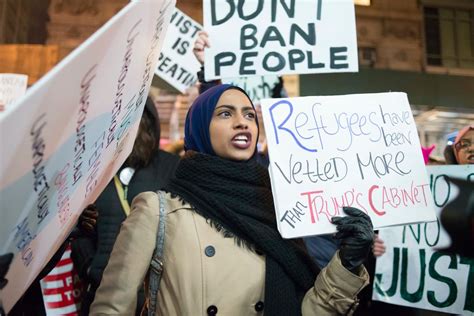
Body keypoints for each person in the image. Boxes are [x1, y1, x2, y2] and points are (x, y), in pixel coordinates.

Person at [90, 84, 374, 315]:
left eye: (250, 115)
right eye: (225, 114)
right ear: (200, 127)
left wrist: (345, 265)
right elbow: (112, 309)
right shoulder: (157, 209)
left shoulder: (277, 210)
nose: (242, 123)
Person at [71, 97, 179, 315]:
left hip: (154, 298)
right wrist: (90, 266)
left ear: (148, 122)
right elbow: (80, 230)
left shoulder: (171, 167)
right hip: (101, 291)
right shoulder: (93, 170)